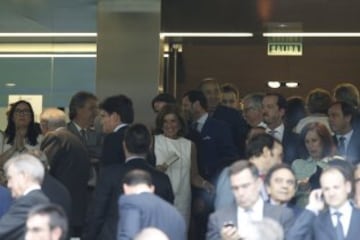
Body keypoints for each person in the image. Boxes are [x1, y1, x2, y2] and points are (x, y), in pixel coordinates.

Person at [84, 123, 173, 240]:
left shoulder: (109, 174)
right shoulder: (162, 179)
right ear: (150, 146)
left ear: (124, 145)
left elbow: (96, 215)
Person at [153, 105, 213, 225]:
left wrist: (206, 184)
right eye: (165, 121)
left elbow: (194, 176)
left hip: (182, 201)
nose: (169, 125)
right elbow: (143, 171)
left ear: (180, 123)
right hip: (159, 199)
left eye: (173, 121)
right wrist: (155, 171)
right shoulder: (153, 141)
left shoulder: (189, 145)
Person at [207, 160, 294, 240]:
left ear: (259, 184)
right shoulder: (217, 219)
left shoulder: (283, 216)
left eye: (245, 186)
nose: (240, 193)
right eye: (235, 188)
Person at [40, 108, 90, 237]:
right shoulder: (74, 138)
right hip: (77, 206)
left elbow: (43, 169)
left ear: (44, 124)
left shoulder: (55, 137)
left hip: (59, 205)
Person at [287, 165, 360, 240]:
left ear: (348, 187)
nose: (331, 193)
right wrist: (311, 209)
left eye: (336, 187)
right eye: (326, 189)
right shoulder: (317, 221)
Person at [215, 133, 283, 210]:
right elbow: (223, 212)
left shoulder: (269, 180)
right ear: (266, 152)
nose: (280, 162)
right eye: (279, 156)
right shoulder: (234, 174)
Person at [117, 169, 186, 240]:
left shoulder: (132, 202)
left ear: (125, 188)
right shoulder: (176, 215)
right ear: (152, 189)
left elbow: (128, 235)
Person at [0, 153, 49, 240]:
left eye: (10, 178)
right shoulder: (38, 199)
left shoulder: (28, 202)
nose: (8, 184)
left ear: (23, 176)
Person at [292, 122, 336, 206]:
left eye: (314, 140)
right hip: (301, 213)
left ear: (324, 141)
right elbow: (287, 193)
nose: (310, 145)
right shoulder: (297, 165)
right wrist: (300, 187)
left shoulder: (335, 164)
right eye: (307, 142)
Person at [0, 100, 42, 169]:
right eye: (18, 111)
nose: (22, 114)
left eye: (26, 111)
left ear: (31, 117)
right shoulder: (2, 138)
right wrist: (13, 148)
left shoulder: (40, 139)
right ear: (12, 117)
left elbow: (40, 165)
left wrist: (22, 149)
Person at [262, 93, 300, 164]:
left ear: (281, 112)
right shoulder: (256, 135)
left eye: (269, 107)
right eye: (263, 107)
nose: (264, 111)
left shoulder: (296, 139)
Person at [99, 94, 134, 166]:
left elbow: (109, 170)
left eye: (103, 116)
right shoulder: (138, 135)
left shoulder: (113, 138)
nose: (101, 122)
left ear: (114, 117)